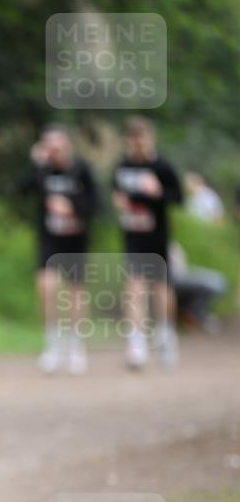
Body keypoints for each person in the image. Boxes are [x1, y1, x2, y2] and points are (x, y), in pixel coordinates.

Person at [19, 125, 98, 374]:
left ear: (68, 146)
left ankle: (76, 347)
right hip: (49, 240)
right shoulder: (42, 171)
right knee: (46, 288)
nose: (53, 152)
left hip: (75, 241)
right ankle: (53, 346)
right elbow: (21, 190)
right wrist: (35, 165)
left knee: (75, 294)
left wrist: (72, 207)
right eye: (48, 147)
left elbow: (97, 205)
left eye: (57, 147)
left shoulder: (81, 170)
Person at [112, 117, 183, 370]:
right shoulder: (122, 166)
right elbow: (117, 192)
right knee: (134, 287)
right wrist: (119, 201)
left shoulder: (162, 166)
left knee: (161, 288)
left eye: (141, 139)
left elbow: (178, 197)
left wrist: (159, 193)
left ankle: (166, 336)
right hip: (133, 237)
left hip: (158, 238)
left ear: (150, 140)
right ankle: (136, 345)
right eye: (132, 140)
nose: (137, 145)